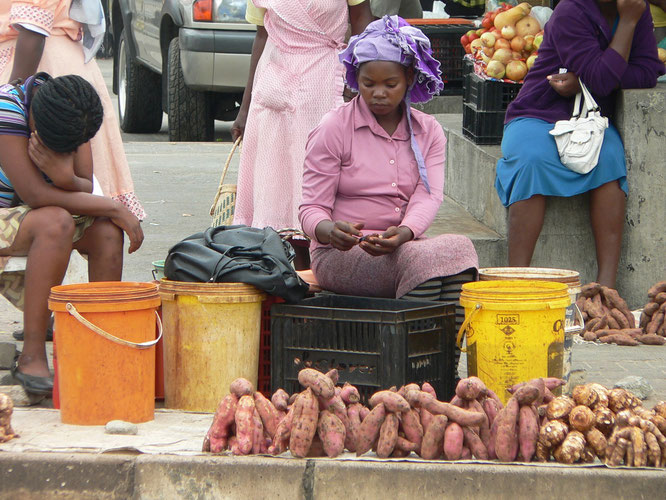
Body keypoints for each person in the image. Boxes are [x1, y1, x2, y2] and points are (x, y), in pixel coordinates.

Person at [299, 16, 479, 328]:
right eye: (369, 84)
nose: (378, 93)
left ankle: (440, 363)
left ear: (409, 77)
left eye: (390, 84)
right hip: (341, 256)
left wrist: (406, 232)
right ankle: (411, 362)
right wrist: (330, 231)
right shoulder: (334, 127)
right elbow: (310, 208)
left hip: (404, 246)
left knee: (460, 249)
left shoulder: (429, 131)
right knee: (420, 260)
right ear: (357, 78)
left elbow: (428, 195)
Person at [495, 0, 664, 289]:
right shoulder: (570, 11)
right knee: (531, 160)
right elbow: (600, 77)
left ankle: (605, 289)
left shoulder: (638, 11)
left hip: (590, 118)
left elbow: (648, 71)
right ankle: (517, 281)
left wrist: (586, 81)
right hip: (539, 113)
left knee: (609, 158)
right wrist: (625, 26)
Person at [0, 73, 144, 395]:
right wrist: (113, 206)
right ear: (35, 122)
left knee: (106, 232)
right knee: (57, 223)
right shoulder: (7, 109)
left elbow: (83, 182)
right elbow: (35, 195)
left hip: (33, 216)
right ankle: (32, 357)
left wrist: (61, 174)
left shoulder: (72, 111)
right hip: (14, 211)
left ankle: (99, 349)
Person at [231, 0, 374, 270]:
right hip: (274, 87)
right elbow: (262, 35)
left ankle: (320, 267)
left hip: (324, 81)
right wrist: (246, 108)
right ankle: (286, 271)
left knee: (316, 177)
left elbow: (361, 20)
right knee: (275, 187)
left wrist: (358, 76)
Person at [0, 0, 146, 221]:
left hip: (38, 68)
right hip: (48, 69)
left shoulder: (16, 102)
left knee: (61, 210)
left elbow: (33, 28)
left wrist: (12, 97)